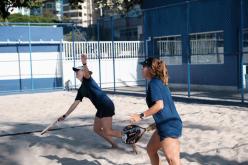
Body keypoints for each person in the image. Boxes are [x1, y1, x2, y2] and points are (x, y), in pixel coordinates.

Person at [58, 54, 121, 148]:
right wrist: (65, 115)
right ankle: (114, 144)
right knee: (96, 129)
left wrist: (84, 63)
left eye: (77, 71)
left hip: (106, 105)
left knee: (108, 131)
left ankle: (128, 136)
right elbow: (75, 103)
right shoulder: (81, 89)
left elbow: (87, 73)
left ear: (83, 72)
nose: (76, 72)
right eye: (75, 71)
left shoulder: (88, 80)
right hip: (100, 108)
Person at [130, 57, 182, 165]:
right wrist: (154, 124)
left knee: (172, 160)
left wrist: (140, 116)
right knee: (151, 150)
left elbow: (159, 105)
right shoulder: (158, 82)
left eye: (143, 66)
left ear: (150, 69)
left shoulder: (154, 83)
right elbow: (167, 107)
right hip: (165, 123)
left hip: (169, 125)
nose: (141, 69)